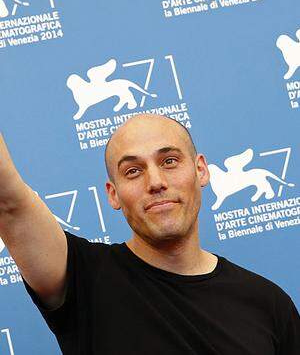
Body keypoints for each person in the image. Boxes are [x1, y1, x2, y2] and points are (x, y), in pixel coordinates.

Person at [0, 114, 299, 354]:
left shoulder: (268, 303)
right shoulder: (82, 277)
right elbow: (9, 202)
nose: (155, 182)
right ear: (113, 195)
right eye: (133, 171)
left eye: (169, 161)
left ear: (202, 171)